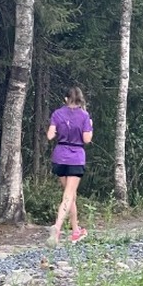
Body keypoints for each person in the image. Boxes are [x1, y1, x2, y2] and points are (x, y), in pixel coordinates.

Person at [48, 86, 93, 244]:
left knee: (71, 195)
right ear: (80, 99)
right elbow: (87, 139)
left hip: (59, 156)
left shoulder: (57, 113)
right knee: (68, 195)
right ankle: (58, 226)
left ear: (66, 99)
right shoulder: (84, 116)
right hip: (75, 157)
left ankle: (75, 231)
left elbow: (50, 135)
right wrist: (90, 127)